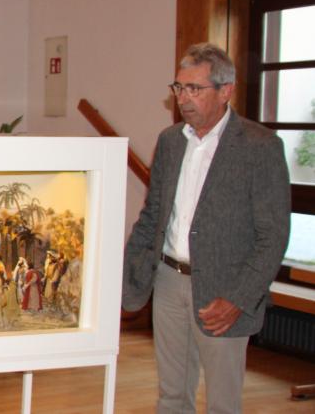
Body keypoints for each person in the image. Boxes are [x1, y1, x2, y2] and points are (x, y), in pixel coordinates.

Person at [122, 43, 290, 414]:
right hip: (168, 281)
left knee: (222, 404)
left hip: (224, 291)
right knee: (171, 397)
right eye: (178, 88)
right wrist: (130, 273)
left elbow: (273, 235)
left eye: (194, 88)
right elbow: (153, 214)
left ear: (226, 90)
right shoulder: (170, 142)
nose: (183, 98)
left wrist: (239, 297)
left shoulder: (260, 147)